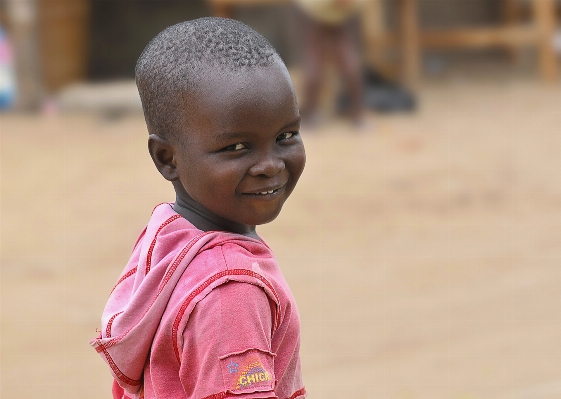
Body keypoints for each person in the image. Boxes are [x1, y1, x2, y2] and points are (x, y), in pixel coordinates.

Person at [90, 17, 307, 399]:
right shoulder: (232, 291)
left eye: (285, 136)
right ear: (166, 158)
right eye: (236, 147)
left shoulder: (170, 236)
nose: (270, 164)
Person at [294, 0, 366, 126]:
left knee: (350, 65)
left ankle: (357, 112)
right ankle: (308, 114)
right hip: (312, 13)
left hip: (341, 17)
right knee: (314, 65)